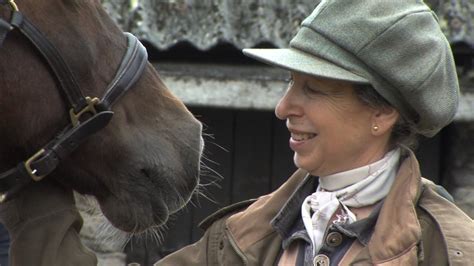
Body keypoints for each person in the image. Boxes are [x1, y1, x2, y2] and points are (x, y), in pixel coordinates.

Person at [157, 0, 474, 265]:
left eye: (315, 90)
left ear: (383, 111)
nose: (283, 108)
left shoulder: (445, 251)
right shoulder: (238, 236)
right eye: (290, 82)